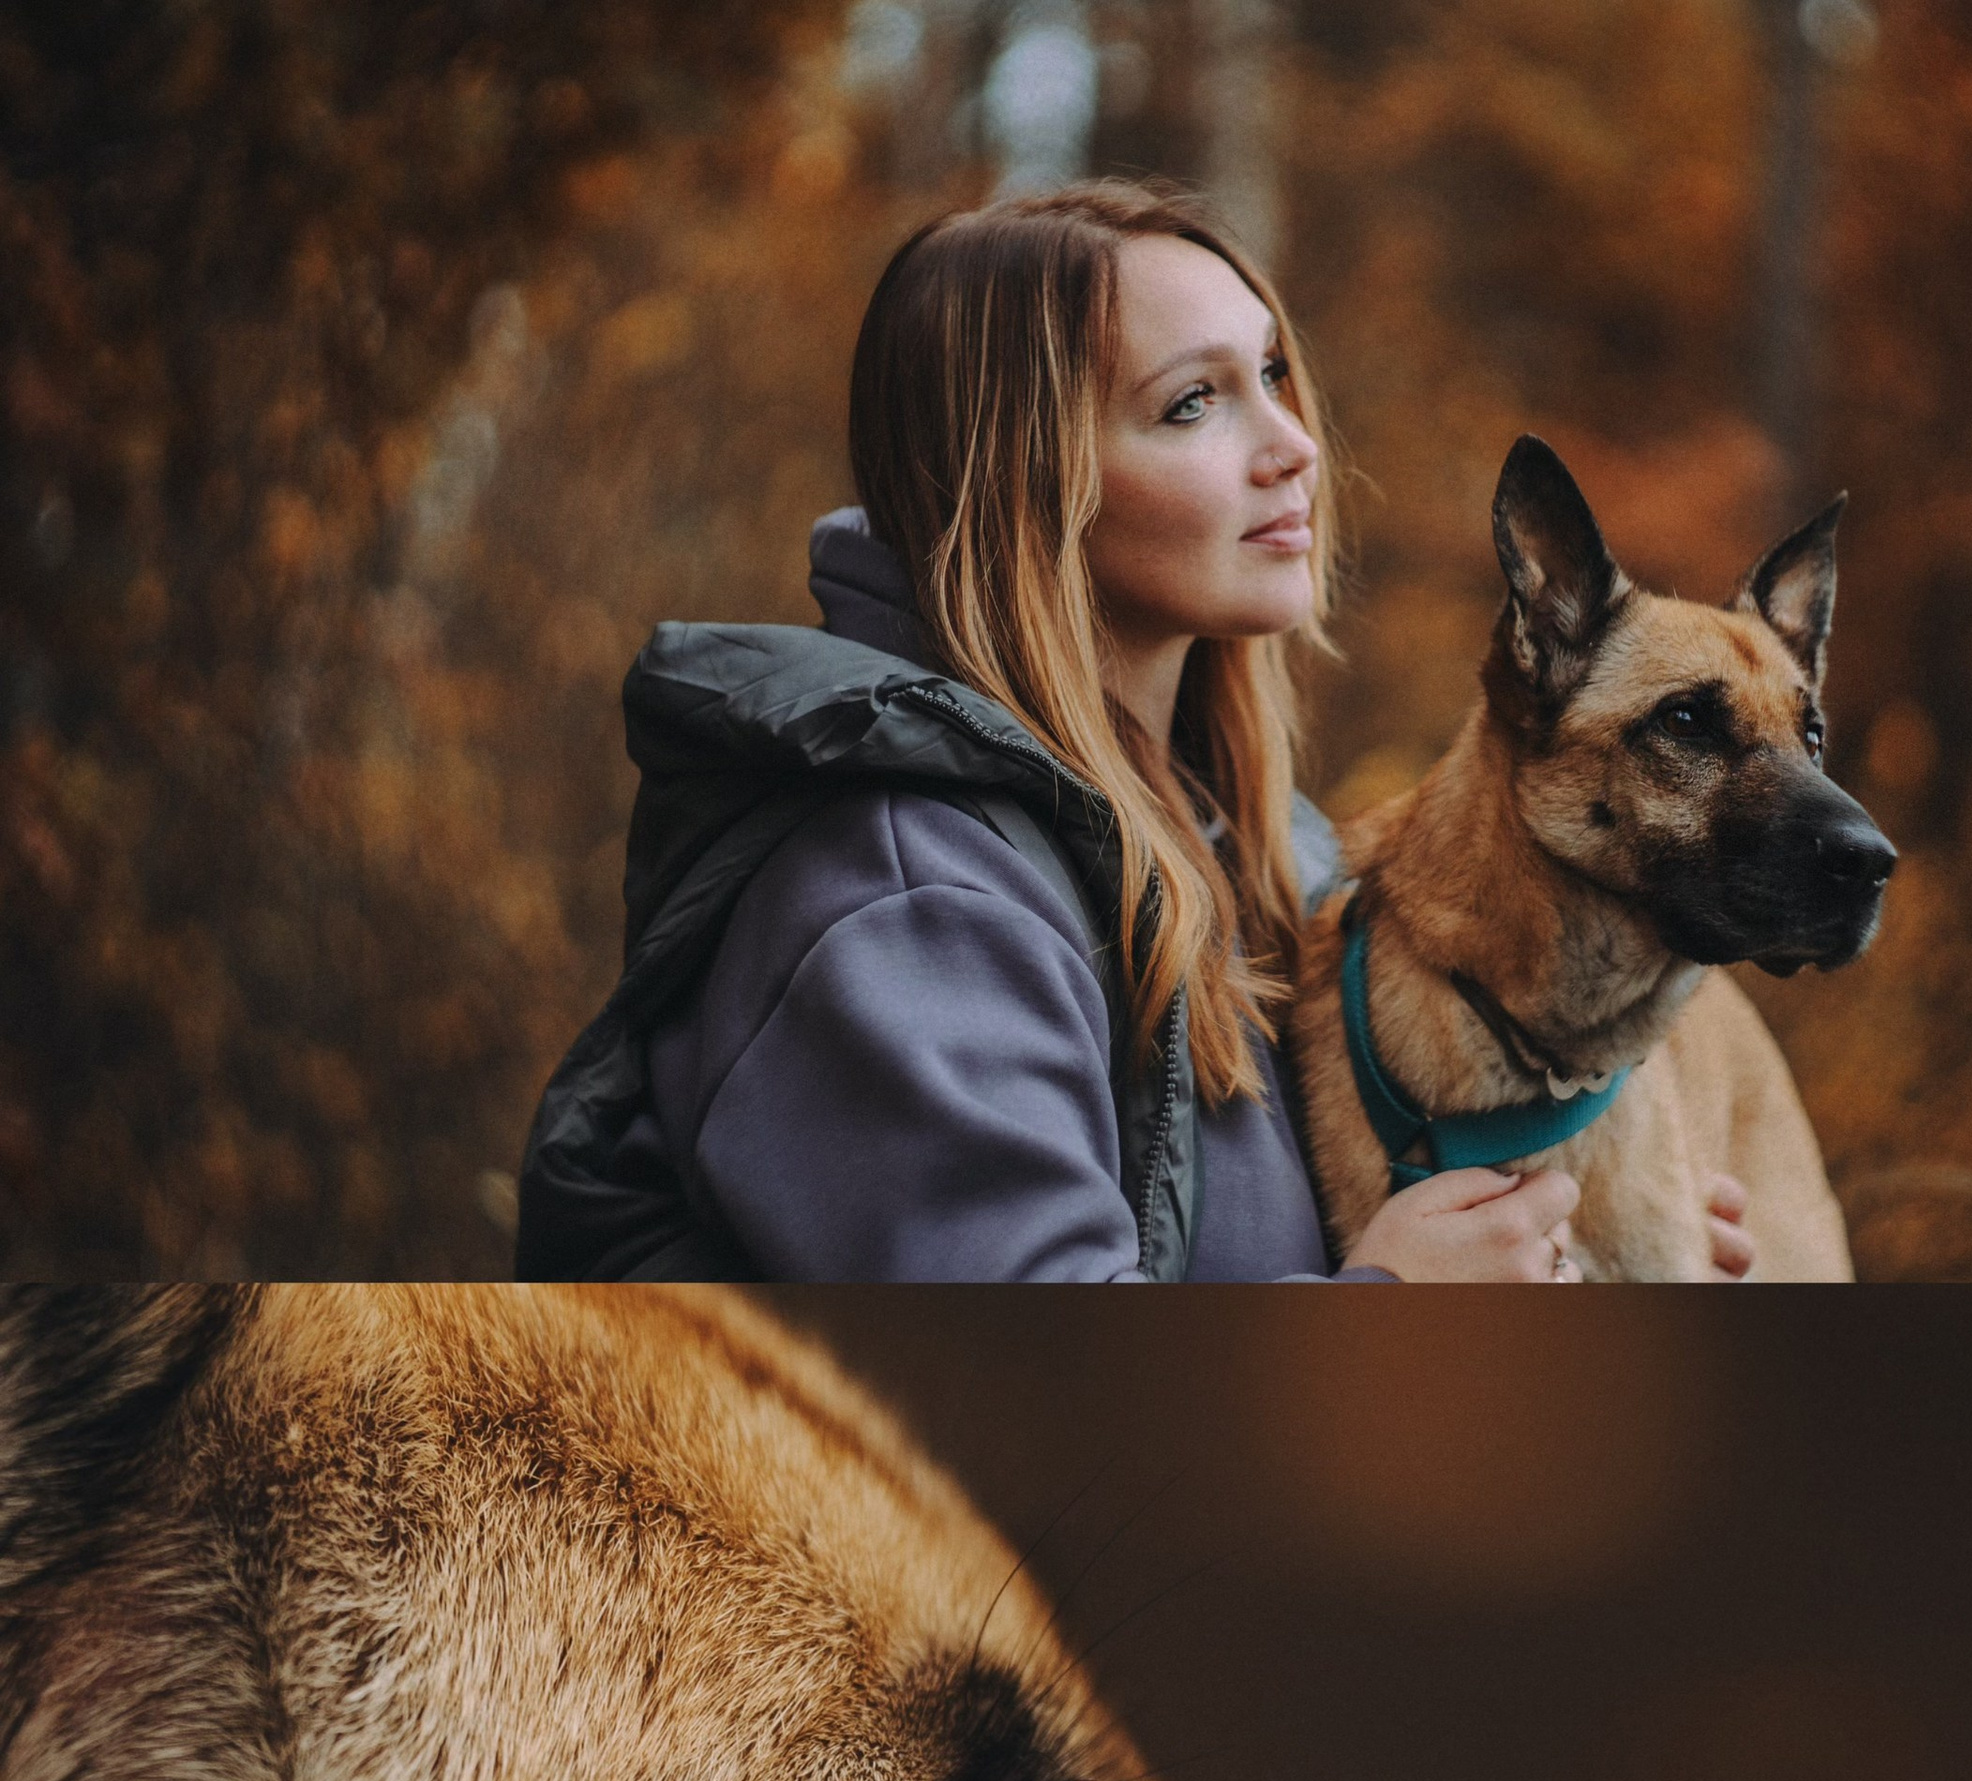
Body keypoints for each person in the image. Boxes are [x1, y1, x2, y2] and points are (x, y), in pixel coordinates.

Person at [517, 182, 1754, 1287]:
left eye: (1274, 375)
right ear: (1029, 479)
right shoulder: (907, 900)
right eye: (1193, 404)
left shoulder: (1267, 851)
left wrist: (1587, 1228)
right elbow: (1036, 1432)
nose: (1294, 446)